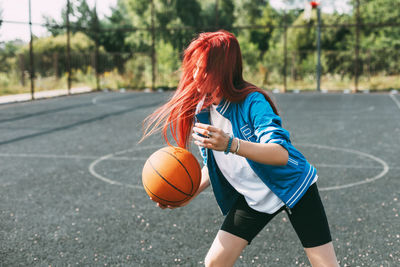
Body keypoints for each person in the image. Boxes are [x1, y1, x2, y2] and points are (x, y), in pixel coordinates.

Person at [141, 30, 339, 267]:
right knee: (214, 262)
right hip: (253, 196)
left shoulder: (253, 102)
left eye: (202, 68)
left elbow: (280, 153)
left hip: (293, 187)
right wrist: (183, 195)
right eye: (193, 66)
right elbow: (210, 166)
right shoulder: (202, 111)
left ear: (222, 69)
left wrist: (230, 144)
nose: (194, 74)